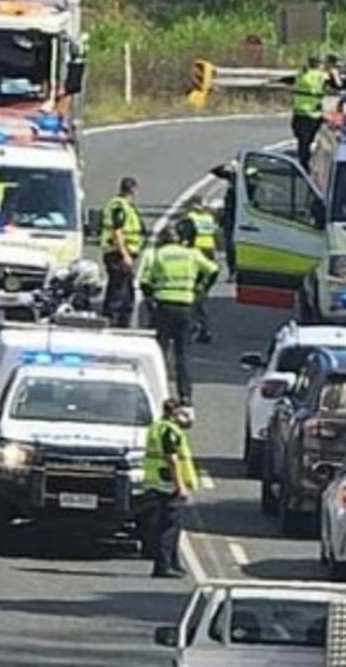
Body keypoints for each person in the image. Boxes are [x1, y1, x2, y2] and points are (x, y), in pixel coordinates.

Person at [141, 225, 219, 404]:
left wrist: (151, 300)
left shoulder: (157, 255)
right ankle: (185, 395)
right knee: (183, 353)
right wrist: (201, 289)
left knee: (159, 352)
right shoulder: (191, 254)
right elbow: (213, 270)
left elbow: (145, 281)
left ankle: (156, 391)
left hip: (163, 306)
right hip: (185, 306)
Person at [142, 400, 199, 578]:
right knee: (168, 527)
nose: (186, 419)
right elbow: (172, 459)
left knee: (173, 525)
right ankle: (163, 566)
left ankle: (174, 563)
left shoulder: (157, 426)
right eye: (183, 414)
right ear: (174, 414)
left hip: (159, 481)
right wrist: (180, 485)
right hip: (168, 483)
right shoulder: (169, 431)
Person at [101, 177, 146, 327]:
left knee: (126, 293)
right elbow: (117, 231)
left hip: (122, 253)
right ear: (133, 189)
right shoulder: (119, 205)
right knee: (118, 292)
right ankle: (112, 322)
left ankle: (121, 323)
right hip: (118, 254)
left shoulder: (126, 205)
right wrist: (125, 254)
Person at [177, 207, 216, 344]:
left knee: (193, 297)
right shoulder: (209, 217)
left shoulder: (190, 217)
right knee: (199, 296)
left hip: (197, 251)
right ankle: (202, 327)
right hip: (209, 252)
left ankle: (196, 327)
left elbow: (184, 231)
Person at [290, 56, 327, 172]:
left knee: (302, 141)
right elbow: (337, 84)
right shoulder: (321, 76)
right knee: (308, 140)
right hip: (313, 114)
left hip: (299, 112)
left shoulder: (301, 74)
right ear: (319, 64)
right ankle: (304, 164)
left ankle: (303, 163)